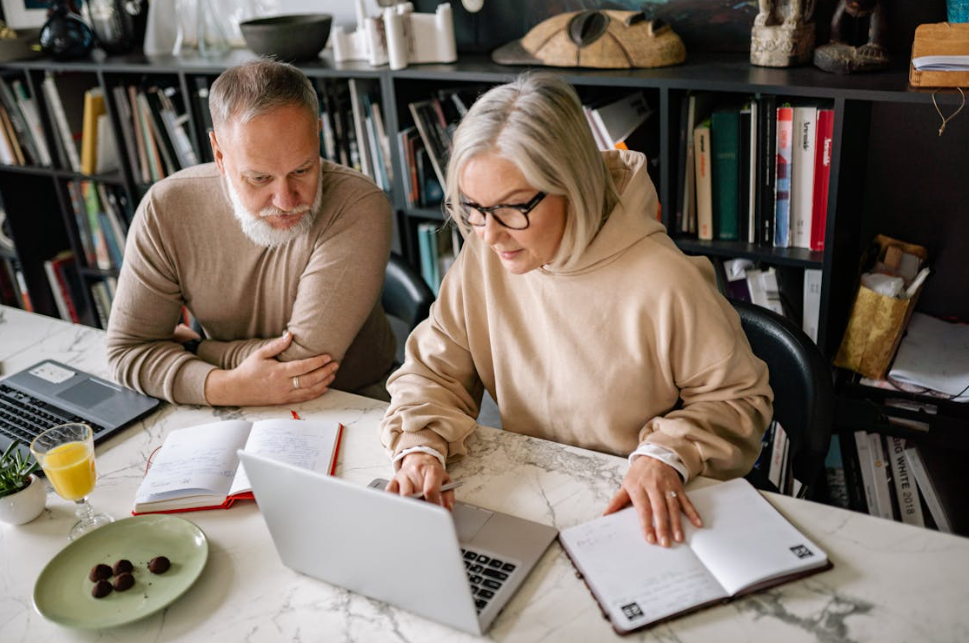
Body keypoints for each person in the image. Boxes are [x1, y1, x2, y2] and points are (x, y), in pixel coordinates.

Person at [379, 73, 773, 546]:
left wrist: (664, 454)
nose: (488, 234)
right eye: (473, 208)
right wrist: (420, 446)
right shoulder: (486, 253)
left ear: (571, 185)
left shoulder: (664, 279)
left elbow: (739, 400)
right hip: (538, 503)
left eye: (512, 208)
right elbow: (432, 373)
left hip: (637, 512)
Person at [106, 59, 396, 406]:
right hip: (229, 406)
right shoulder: (166, 208)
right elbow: (128, 351)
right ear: (219, 154)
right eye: (259, 178)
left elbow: (303, 366)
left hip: (354, 401)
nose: (286, 200)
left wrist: (196, 349)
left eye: (302, 169)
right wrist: (225, 386)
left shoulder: (358, 203)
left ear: (318, 135)